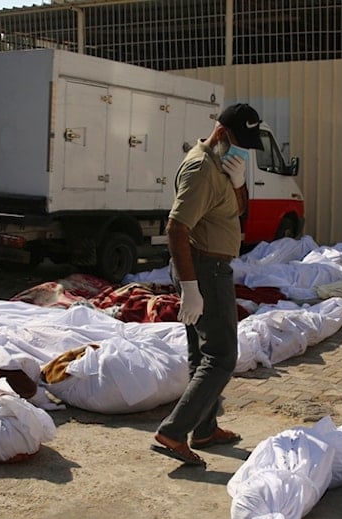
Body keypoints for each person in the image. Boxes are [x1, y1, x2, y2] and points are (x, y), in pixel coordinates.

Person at [151, 103, 261, 467]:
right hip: (204, 269)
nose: (240, 150)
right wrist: (191, 287)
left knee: (202, 356)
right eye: (237, 142)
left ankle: (204, 428)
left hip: (211, 266)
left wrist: (240, 184)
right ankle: (173, 430)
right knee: (223, 356)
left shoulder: (222, 166)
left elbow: (237, 212)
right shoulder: (201, 167)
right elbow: (176, 228)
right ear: (222, 133)